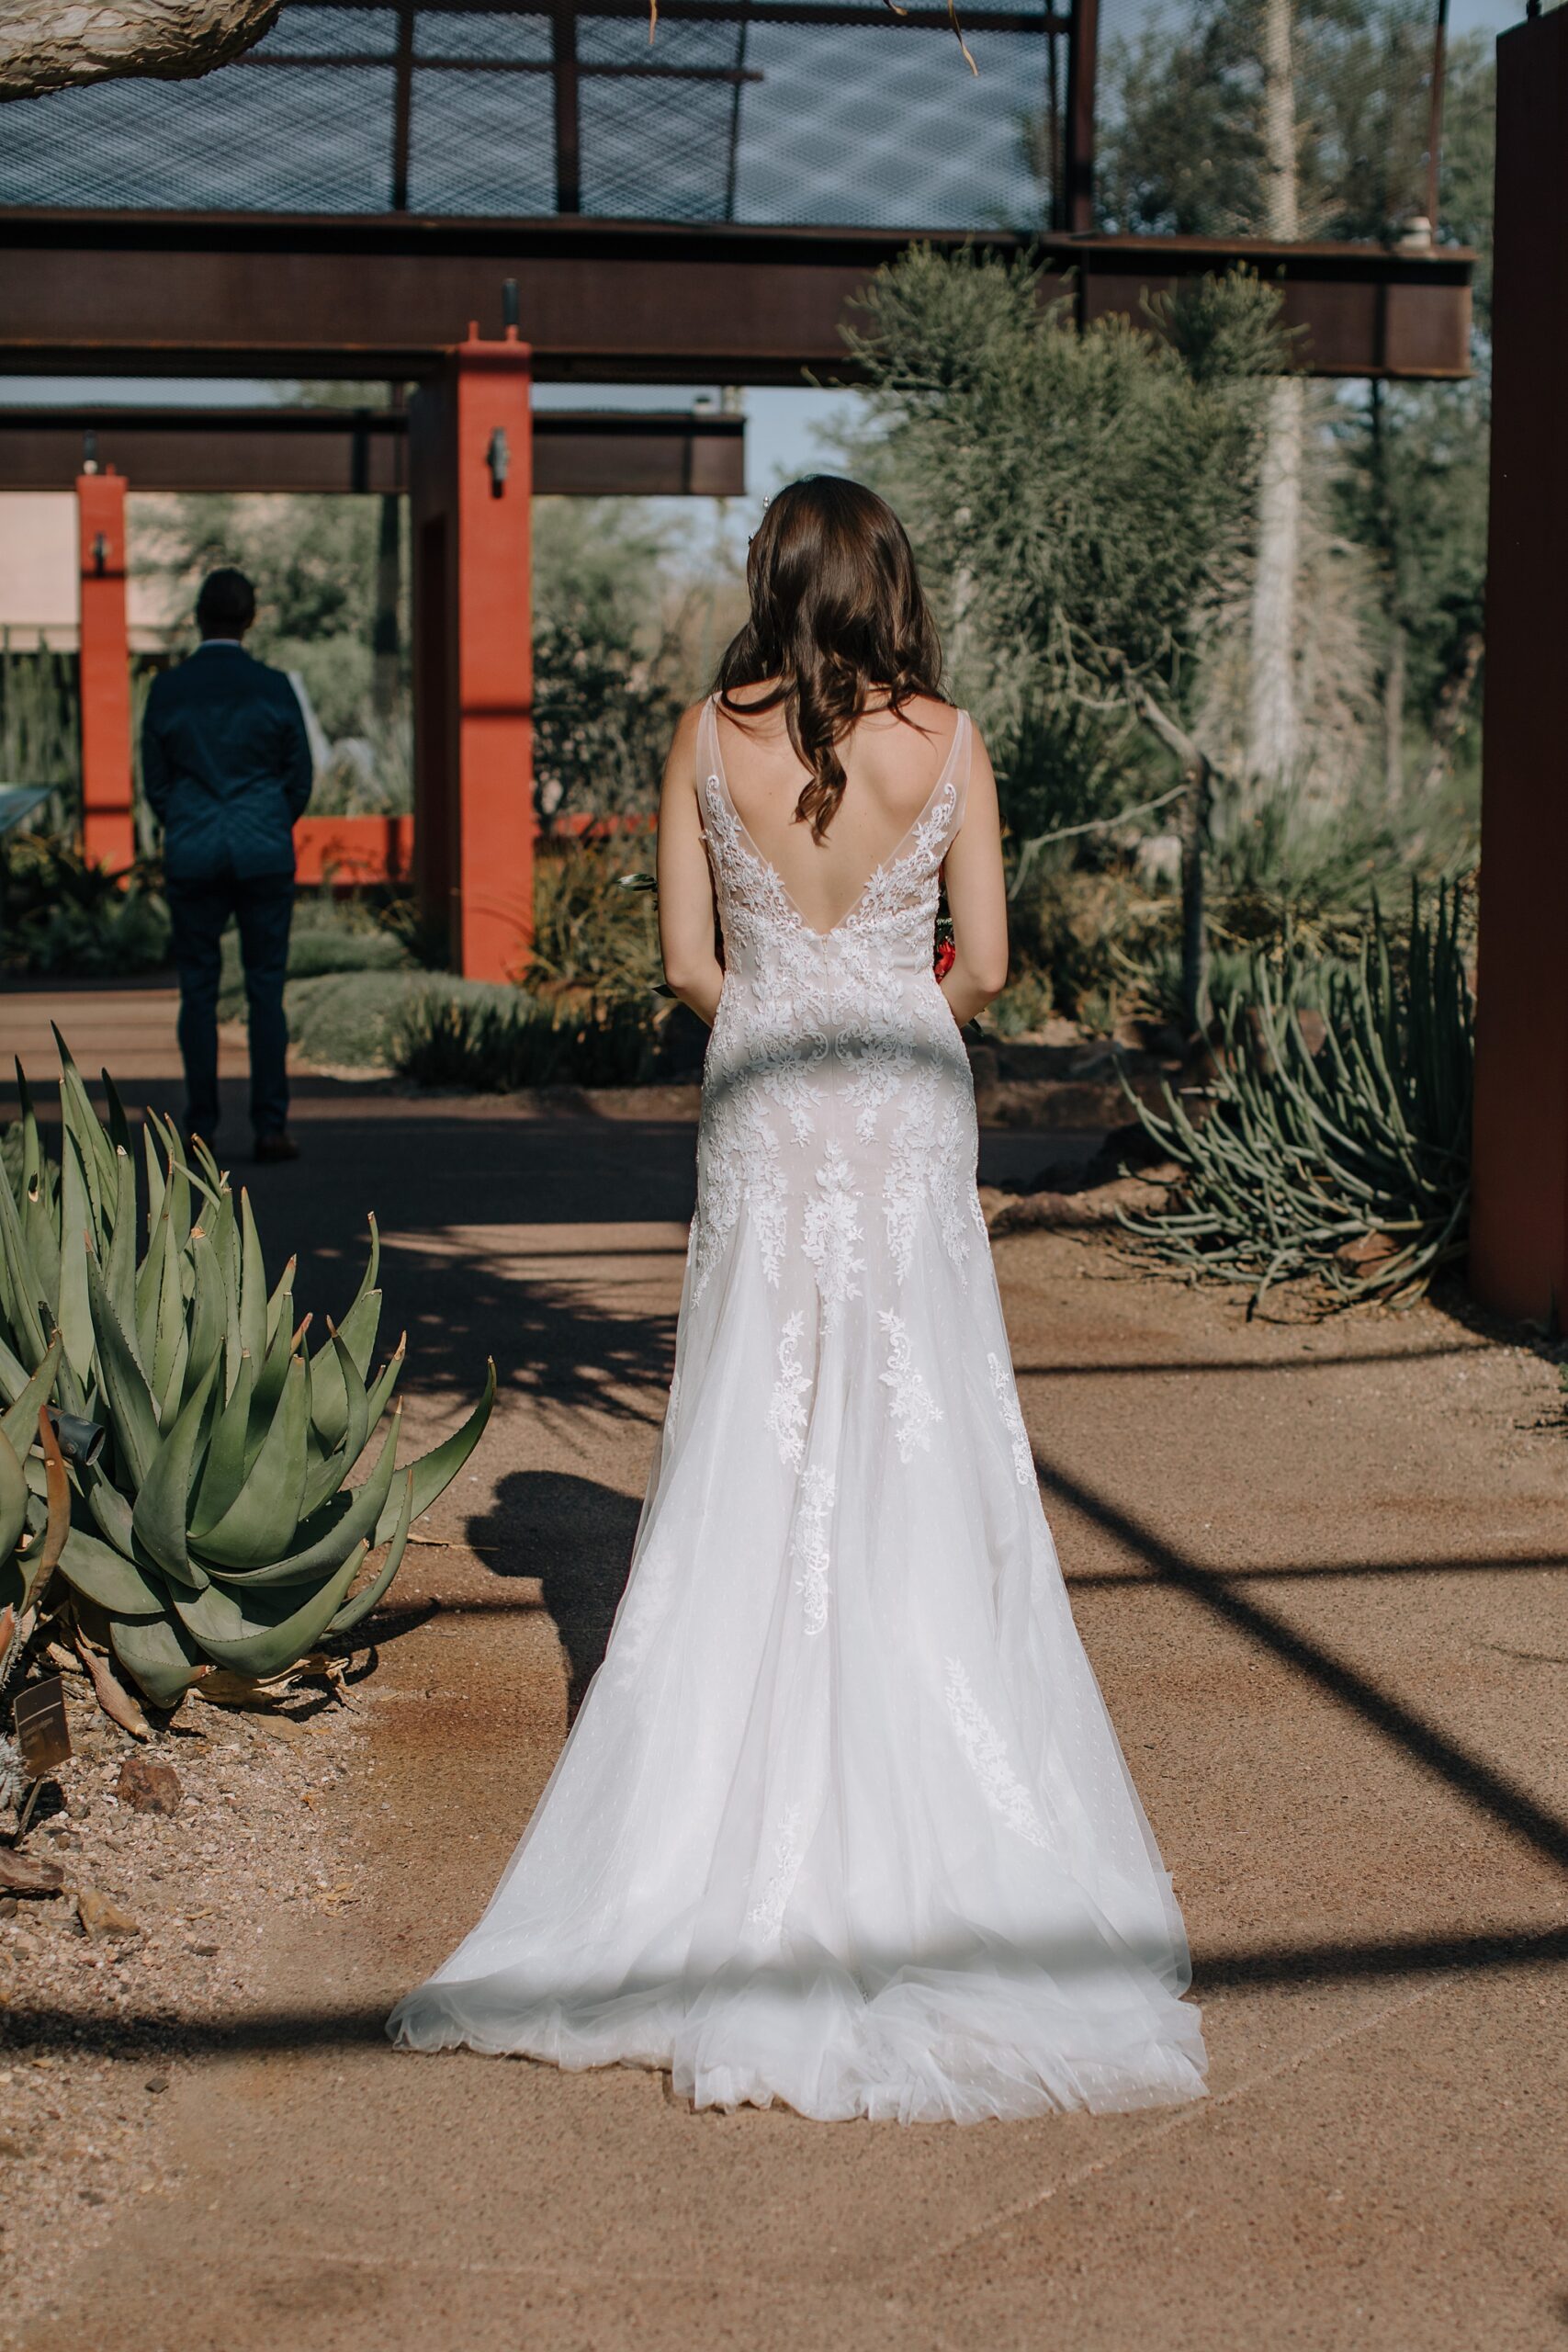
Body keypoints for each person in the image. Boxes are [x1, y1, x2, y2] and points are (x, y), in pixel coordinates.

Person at [389, 478, 1207, 2121]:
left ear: (773, 579)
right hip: (900, 1083)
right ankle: (933, 1776)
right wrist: (882, 983)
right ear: (891, 582)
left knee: (757, 1403)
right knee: (916, 1404)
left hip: (765, 1077)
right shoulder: (950, 741)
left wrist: (787, 979)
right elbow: (979, 967)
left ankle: (721, 1808)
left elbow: (690, 971)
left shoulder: (705, 734)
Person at [141, 567, 311, 1164]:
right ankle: (270, 1127)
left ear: (198, 616)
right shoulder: (274, 687)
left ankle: (200, 1128)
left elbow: (155, 783)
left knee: (198, 991)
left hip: (193, 852)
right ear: (251, 618)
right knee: (266, 990)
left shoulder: (168, 690)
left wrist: (187, 820)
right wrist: (264, 821)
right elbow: (300, 778)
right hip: (263, 850)